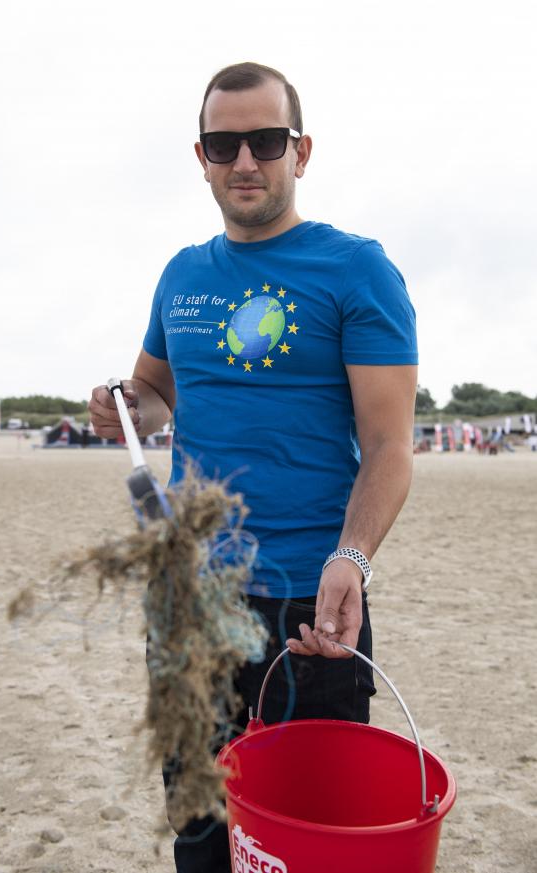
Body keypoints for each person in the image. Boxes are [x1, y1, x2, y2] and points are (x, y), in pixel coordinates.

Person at [88, 62, 418, 873]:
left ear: (300, 152)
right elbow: (161, 397)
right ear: (199, 156)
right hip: (190, 601)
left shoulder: (356, 270)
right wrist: (124, 405)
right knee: (200, 829)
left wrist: (352, 556)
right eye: (223, 143)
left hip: (309, 609)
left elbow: (388, 446)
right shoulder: (183, 275)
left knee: (310, 839)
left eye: (265, 141)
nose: (245, 161)